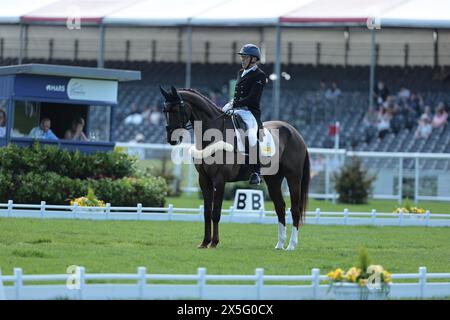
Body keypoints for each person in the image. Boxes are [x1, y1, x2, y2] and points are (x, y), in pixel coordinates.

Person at [222, 43, 267, 185]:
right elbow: (237, 94)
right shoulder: (240, 72)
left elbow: (253, 97)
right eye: (242, 57)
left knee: (251, 135)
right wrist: (231, 103)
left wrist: (237, 104)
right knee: (218, 119)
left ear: (253, 59)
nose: (242, 59)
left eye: (245, 57)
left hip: (249, 111)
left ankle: (256, 171)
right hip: (236, 107)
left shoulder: (260, 75)